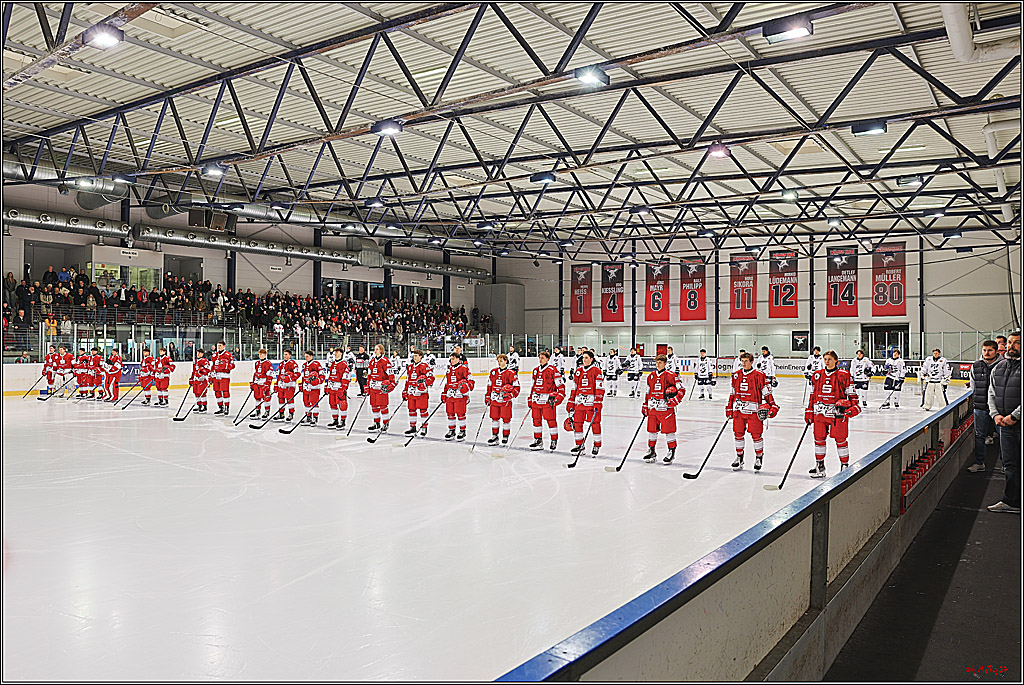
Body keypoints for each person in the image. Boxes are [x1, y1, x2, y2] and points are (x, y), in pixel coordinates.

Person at [806, 350, 861, 478]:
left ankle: (844, 466)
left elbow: (852, 396)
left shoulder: (844, 375)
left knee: (841, 440)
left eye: (830, 359)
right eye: (825, 359)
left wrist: (851, 409)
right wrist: (809, 411)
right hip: (820, 414)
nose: (827, 361)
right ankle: (820, 466)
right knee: (819, 439)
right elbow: (813, 395)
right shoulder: (817, 375)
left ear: (836, 361)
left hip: (837, 415)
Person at [726, 351, 779, 471]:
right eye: (742, 361)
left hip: (754, 412)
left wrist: (772, 405)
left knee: (756, 435)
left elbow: (766, 392)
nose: (743, 363)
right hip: (739, 411)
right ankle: (739, 457)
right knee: (738, 434)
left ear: (751, 362)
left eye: (746, 361)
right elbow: (732, 393)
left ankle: (759, 457)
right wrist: (729, 407)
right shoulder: (736, 375)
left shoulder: (759, 375)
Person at [986, 331, 1020, 513]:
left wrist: (1015, 416)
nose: (1011, 346)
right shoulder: (999, 368)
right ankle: (1012, 501)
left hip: (1017, 423)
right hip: (1004, 425)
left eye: (1017, 343)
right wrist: (995, 415)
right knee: (1010, 464)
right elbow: (991, 393)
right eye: (1010, 342)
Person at [642, 354, 683, 463]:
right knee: (651, 431)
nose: (658, 364)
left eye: (660, 362)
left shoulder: (671, 375)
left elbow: (681, 390)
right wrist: (645, 404)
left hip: (665, 409)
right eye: (656, 362)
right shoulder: (651, 376)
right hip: (653, 409)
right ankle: (651, 451)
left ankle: (671, 451)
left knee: (669, 431)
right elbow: (647, 392)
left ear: (665, 363)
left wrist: (674, 401)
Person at [967, 340, 1001, 473]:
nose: (986, 353)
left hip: (999, 408)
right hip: (980, 407)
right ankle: (980, 462)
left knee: (1003, 436)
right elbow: (973, 386)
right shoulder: (976, 365)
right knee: (979, 436)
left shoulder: (1003, 365)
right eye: (984, 350)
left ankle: (1006, 464)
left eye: (990, 350)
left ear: (996, 351)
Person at [567, 350, 604, 456]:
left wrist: (598, 401)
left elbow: (600, 387)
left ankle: (597, 445)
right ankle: (580, 445)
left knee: (595, 424)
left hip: (591, 403)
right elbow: (574, 388)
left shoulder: (596, 371)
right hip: (579, 403)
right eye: (583, 358)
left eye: (587, 358)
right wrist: (571, 401)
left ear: (591, 359)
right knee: (577, 424)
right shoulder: (578, 371)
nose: (584, 359)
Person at [528, 350, 564, 451]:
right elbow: (533, 386)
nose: (540, 359)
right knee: (536, 420)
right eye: (539, 357)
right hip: (536, 400)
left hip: (548, 401)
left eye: (543, 358)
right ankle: (538, 440)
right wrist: (530, 398)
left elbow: (560, 385)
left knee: (551, 420)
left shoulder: (553, 370)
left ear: (548, 359)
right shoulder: (535, 370)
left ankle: (554, 439)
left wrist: (559, 397)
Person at [485, 353, 519, 446]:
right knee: (494, 418)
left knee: (506, 418)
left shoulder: (511, 373)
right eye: (498, 361)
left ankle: (505, 435)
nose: (499, 363)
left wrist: (511, 395)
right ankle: (495, 436)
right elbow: (489, 385)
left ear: (506, 361)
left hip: (505, 401)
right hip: (494, 399)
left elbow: (517, 387)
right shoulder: (493, 372)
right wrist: (487, 396)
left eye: (501, 361)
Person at [442, 351, 474, 441]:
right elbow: (447, 383)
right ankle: (451, 430)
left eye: (453, 359)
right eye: (451, 359)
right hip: (450, 395)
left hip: (460, 395)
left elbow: (471, 381)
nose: (451, 361)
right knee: (450, 413)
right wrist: (444, 393)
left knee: (460, 413)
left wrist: (465, 389)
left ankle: (462, 431)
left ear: (458, 359)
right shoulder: (449, 369)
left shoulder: (464, 368)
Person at [402, 349, 435, 436]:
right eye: (414, 355)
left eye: (416, 356)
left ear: (420, 356)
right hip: (411, 392)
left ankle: (424, 428)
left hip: (421, 393)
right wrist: (405, 390)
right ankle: (413, 427)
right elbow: (408, 380)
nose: (414, 357)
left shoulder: (424, 366)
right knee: (411, 410)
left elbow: (431, 378)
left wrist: (424, 384)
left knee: (423, 410)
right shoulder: (410, 366)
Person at [367, 343, 397, 432]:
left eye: (377, 349)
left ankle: (385, 423)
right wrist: (366, 386)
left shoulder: (385, 361)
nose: (375, 351)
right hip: (373, 387)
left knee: (383, 406)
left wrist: (391, 384)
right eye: (375, 349)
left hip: (381, 387)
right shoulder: (372, 361)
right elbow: (369, 375)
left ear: (381, 350)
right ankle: (376, 423)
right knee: (374, 406)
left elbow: (391, 375)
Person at [326, 348, 352, 429]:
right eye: (335, 352)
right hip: (332, 388)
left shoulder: (344, 364)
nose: (335, 353)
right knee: (332, 404)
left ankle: (343, 421)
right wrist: (327, 386)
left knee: (342, 404)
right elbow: (330, 375)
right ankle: (335, 420)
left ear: (341, 353)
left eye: (337, 352)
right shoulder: (333, 363)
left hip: (339, 388)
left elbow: (346, 377)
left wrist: (343, 388)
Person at [274, 349, 300, 421]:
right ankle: (281, 414)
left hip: (289, 385)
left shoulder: (293, 363)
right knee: (280, 399)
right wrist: (276, 384)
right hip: (281, 385)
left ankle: (291, 414)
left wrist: (289, 378)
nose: (285, 356)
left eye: (286, 354)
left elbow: (297, 374)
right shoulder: (281, 364)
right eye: (284, 354)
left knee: (289, 399)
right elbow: (279, 375)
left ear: (290, 355)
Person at [299, 351, 325, 426]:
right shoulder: (304, 365)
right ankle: (308, 417)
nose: (305, 358)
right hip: (306, 387)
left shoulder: (316, 364)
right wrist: (302, 384)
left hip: (314, 388)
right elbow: (303, 376)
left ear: (311, 356)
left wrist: (317, 382)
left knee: (314, 402)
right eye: (305, 356)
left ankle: (315, 418)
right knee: (306, 402)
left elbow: (322, 376)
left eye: (307, 356)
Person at [211, 340, 235, 415]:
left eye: (220, 346)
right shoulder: (214, 355)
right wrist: (211, 374)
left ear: (224, 346)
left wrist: (225, 366)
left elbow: (233, 365)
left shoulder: (228, 355)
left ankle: (227, 407)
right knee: (217, 392)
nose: (219, 347)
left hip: (224, 376)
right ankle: (221, 408)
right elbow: (213, 366)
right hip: (216, 376)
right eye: (218, 346)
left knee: (225, 392)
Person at [250, 349, 274, 420]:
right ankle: (258, 412)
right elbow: (255, 373)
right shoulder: (257, 363)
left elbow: (270, 375)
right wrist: (253, 382)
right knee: (257, 397)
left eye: (262, 354)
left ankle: (267, 412)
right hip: (257, 384)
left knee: (266, 397)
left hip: (264, 383)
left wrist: (267, 384)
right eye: (259, 354)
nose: (260, 356)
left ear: (265, 355)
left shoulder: (268, 363)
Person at [189, 349, 212, 413]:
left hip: (202, 380)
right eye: (197, 353)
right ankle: (199, 405)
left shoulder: (205, 361)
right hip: (196, 379)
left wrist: (202, 371)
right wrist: (191, 378)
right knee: (196, 393)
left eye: (199, 353)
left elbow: (207, 370)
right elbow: (194, 371)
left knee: (202, 393)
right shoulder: (195, 361)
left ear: (202, 354)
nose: (198, 354)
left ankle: (204, 406)